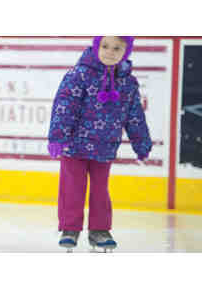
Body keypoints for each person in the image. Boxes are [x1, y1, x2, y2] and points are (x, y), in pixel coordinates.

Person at [48, 36, 152, 252]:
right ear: (96, 46)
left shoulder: (128, 83)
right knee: (72, 187)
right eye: (105, 46)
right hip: (75, 146)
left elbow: (134, 116)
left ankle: (100, 230)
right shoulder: (79, 75)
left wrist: (141, 143)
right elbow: (64, 105)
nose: (110, 52)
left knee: (100, 190)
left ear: (126, 51)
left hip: (105, 146)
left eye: (117, 48)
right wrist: (57, 137)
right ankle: (70, 228)